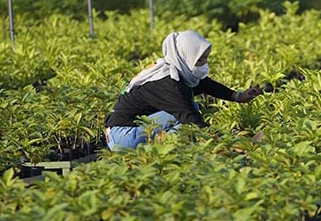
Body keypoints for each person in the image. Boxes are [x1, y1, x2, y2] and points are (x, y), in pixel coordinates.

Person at [104, 30, 263, 150]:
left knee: (190, 115)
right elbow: (192, 120)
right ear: (185, 56)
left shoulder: (176, 71)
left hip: (123, 132)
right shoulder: (167, 83)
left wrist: (238, 96)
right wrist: (230, 142)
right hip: (123, 137)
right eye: (199, 60)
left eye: (205, 58)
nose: (204, 64)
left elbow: (206, 84)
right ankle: (161, 154)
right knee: (188, 125)